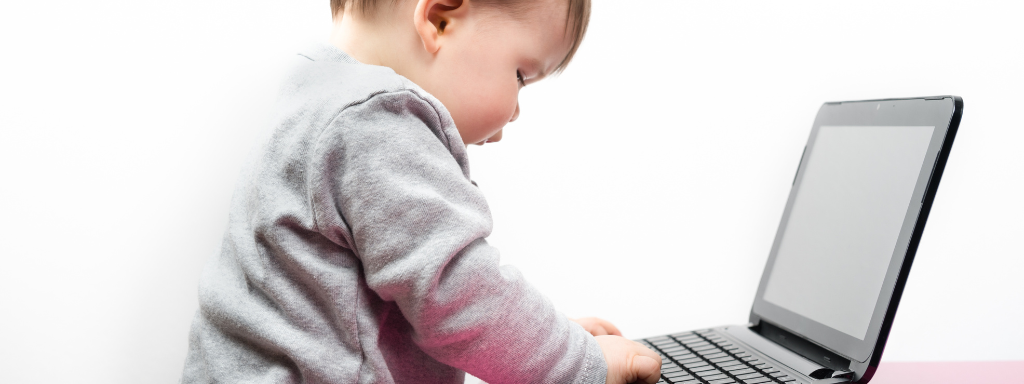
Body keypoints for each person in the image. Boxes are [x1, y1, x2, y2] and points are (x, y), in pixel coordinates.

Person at [181, 0, 662, 383]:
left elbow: (415, 305)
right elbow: (459, 297)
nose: (515, 111)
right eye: (520, 75)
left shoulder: (315, 92)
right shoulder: (375, 125)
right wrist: (578, 365)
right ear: (439, 19)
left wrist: (548, 337)